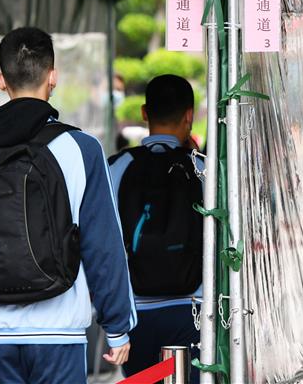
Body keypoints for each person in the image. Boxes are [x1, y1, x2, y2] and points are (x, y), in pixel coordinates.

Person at [0, 27, 135, 383]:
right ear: (53, 76)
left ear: (0, 80)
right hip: (61, 333)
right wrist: (117, 324)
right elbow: (103, 243)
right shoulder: (81, 149)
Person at [108, 75, 204, 383]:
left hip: (136, 315)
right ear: (189, 115)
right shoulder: (204, 169)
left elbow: (99, 243)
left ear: (144, 113)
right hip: (192, 312)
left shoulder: (116, 167)